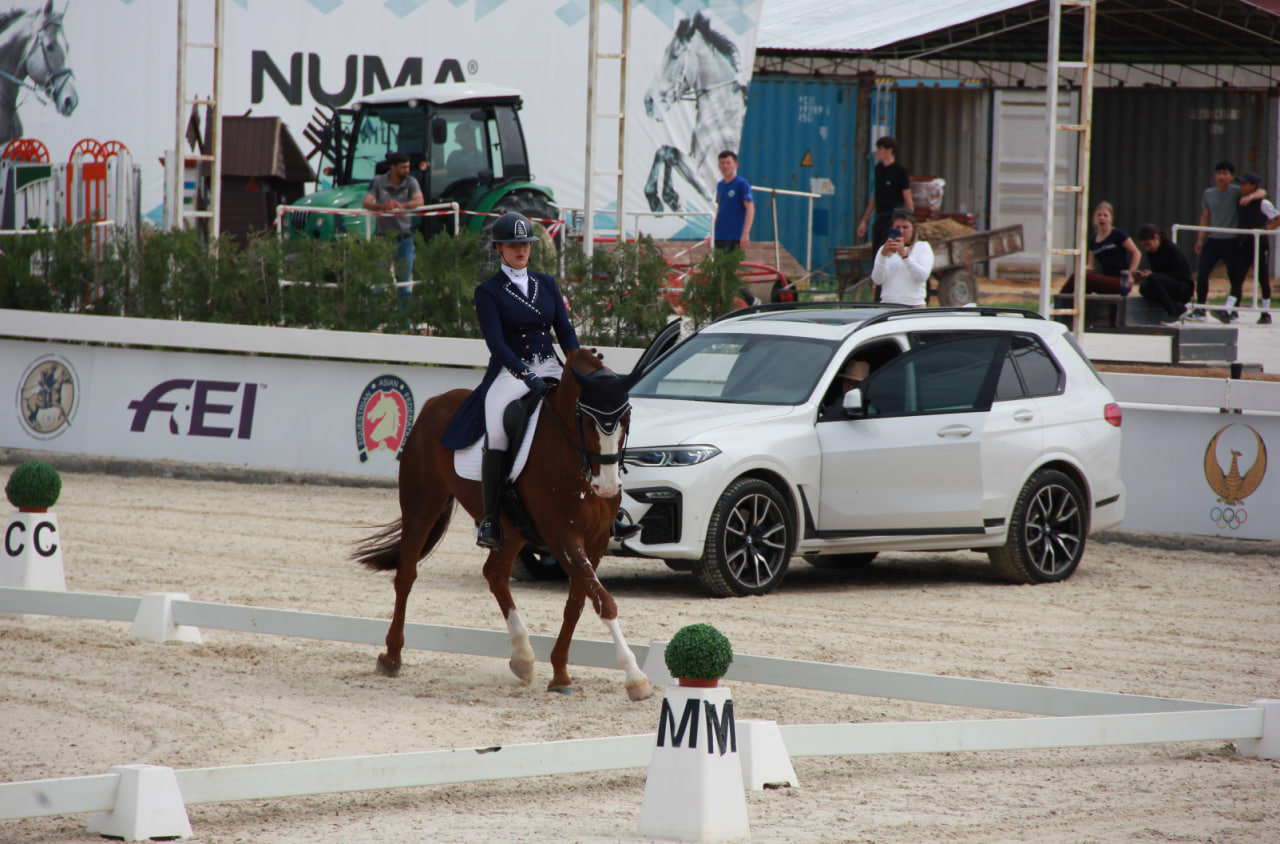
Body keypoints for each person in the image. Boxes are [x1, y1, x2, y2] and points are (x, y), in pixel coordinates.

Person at [438, 212, 579, 549]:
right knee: (500, 427)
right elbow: (496, 344)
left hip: (551, 366)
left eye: (525, 244)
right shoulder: (489, 291)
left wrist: (577, 367)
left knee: (589, 414)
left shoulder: (546, 284)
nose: (521, 250)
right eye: (513, 244)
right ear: (499, 248)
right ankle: (489, 520)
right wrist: (525, 374)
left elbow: (566, 332)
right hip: (510, 372)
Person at [1192, 160, 1247, 322]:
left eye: (1225, 174)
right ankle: (1200, 308)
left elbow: (1261, 192)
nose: (1221, 177)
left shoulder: (1237, 192)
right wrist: (1200, 239)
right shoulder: (1208, 193)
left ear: (1231, 176)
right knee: (1202, 274)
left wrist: (1250, 196)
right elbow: (1205, 216)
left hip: (1231, 240)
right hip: (1213, 239)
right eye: (1219, 173)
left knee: (1235, 277)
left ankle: (1233, 310)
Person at [362, 151, 424, 283]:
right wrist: (382, 207)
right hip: (383, 238)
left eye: (408, 167)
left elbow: (419, 201)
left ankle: (405, 304)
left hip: (404, 238)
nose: (407, 170)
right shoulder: (378, 181)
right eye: (403, 167)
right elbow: (366, 202)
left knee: (405, 281)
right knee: (379, 281)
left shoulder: (411, 181)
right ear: (393, 167)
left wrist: (400, 206)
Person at [1059, 201, 1140, 296]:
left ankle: (1058, 303)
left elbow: (1136, 253)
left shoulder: (1118, 234)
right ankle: (1072, 307)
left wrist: (1130, 274)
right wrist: (1080, 271)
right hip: (1106, 279)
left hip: (1121, 281)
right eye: (1099, 215)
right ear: (1095, 218)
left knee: (1086, 280)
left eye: (1105, 216)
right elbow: (1090, 265)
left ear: (1111, 219)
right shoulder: (1093, 239)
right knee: (1078, 279)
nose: (1102, 218)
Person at [1231, 172, 1278, 325]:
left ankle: (1265, 312)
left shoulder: (1263, 203)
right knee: (1238, 275)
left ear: (1253, 186)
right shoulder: (1241, 201)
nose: (1242, 187)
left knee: (1262, 277)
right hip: (1245, 242)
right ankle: (1232, 309)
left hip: (1259, 243)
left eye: (1245, 184)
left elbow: (1277, 219)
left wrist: (1267, 229)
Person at [857, 137, 914, 251]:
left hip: (892, 218)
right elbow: (876, 197)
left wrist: (912, 221)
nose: (877, 152)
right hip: (879, 218)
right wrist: (864, 221)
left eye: (880, 149)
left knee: (888, 251)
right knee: (877, 252)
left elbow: (907, 198)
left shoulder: (900, 170)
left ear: (889, 151)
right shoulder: (878, 169)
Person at [870, 209, 933, 308]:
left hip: (913, 305)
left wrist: (905, 256)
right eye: (897, 227)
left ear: (914, 228)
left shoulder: (922, 247)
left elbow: (922, 276)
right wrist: (882, 256)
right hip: (888, 306)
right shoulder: (884, 249)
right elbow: (877, 280)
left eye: (905, 227)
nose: (901, 231)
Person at [1133, 224, 1194, 325]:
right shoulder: (1152, 254)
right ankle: (1177, 308)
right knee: (1144, 288)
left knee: (1154, 279)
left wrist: (1154, 276)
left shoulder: (1171, 249)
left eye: (1148, 244)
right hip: (1167, 284)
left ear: (1156, 238)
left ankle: (1173, 315)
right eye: (1144, 246)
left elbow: (1178, 274)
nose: (1147, 248)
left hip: (1183, 287)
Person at [714, 150, 754, 253]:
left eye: (728, 163)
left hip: (734, 237)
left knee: (731, 267)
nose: (725, 166)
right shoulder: (720, 185)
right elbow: (720, 209)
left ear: (735, 165)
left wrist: (746, 233)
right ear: (719, 166)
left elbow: (750, 208)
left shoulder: (742, 184)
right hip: (720, 236)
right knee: (718, 267)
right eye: (722, 163)